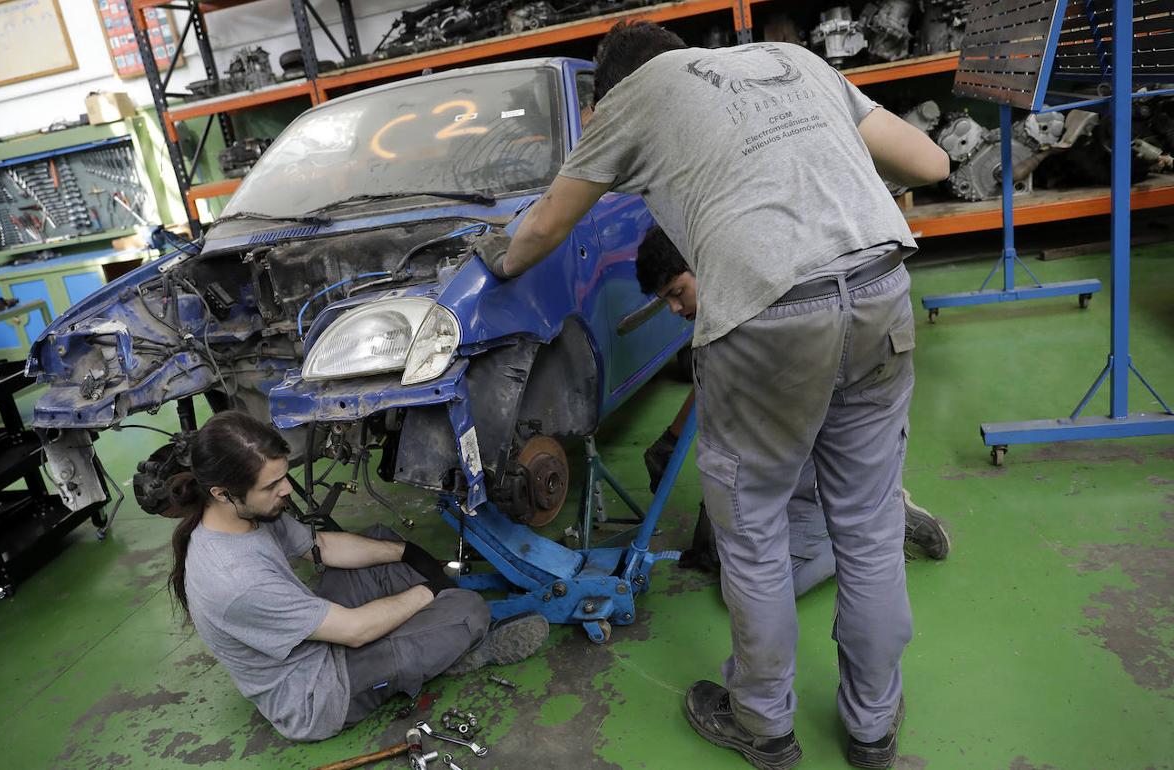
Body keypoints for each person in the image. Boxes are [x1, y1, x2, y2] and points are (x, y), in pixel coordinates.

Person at [469, 22, 950, 769]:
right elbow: (933, 158)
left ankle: (764, 727)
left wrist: (488, 266)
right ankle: (873, 730)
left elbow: (546, 226)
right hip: (880, 283)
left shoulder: (638, 96)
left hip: (769, 312)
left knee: (753, 534)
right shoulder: (793, 59)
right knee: (868, 528)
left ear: (610, 90)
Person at [165, 411, 548, 741]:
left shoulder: (243, 514)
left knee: (381, 542)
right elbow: (354, 631)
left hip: (316, 633)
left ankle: (429, 642)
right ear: (222, 492)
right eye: (271, 485)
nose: (286, 489)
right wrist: (427, 591)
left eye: (283, 476)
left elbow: (323, 547)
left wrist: (407, 553)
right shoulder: (235, 580)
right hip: (319, 692)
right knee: (469, 610)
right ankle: (460, 652)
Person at [635, 226, 951, 576]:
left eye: (677, 293)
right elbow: (707, 384)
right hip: (795, 437)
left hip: (815, 445)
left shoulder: (769, 311)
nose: (674, 308)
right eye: (665, 299)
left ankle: (878, 525)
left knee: (754, 578)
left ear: (705, 266)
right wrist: (673, 439)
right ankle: (864, 513)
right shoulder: (728, 301)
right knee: (722, 547)